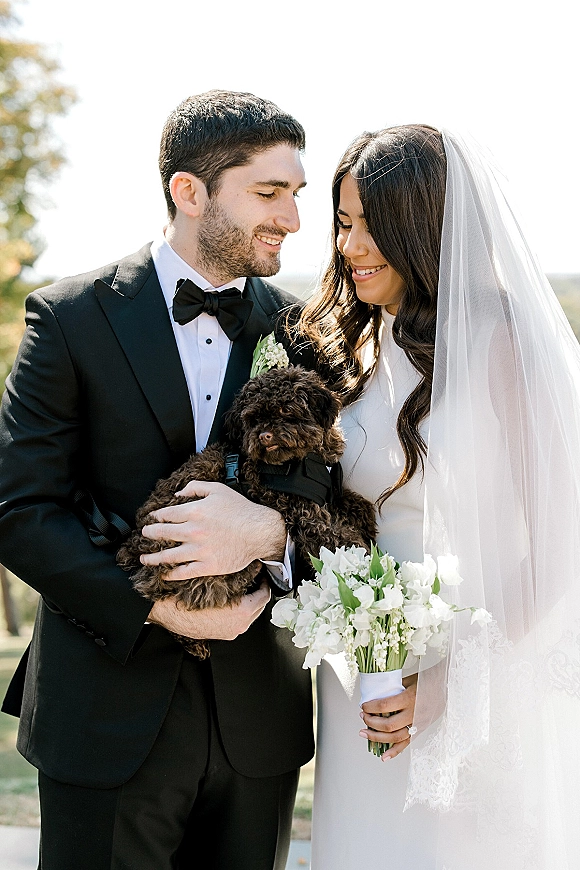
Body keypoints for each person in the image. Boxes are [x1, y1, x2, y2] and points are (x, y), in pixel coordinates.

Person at [0, 89, 315, 870]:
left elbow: (325, 506)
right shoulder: (68, 318)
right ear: (190, 191)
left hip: (258, 727)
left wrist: (273, 542)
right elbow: (20, 509)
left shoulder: (304, 335)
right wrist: (160, 611)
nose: (293, 218)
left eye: (297, 194)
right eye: (269, 193)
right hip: (104, 716)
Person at [299, 125, 580, 869]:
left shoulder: (504, 346)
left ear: (424, 229)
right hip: (366, 679)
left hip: (480, 678)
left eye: (371, 227)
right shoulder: (352, 350)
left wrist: (449, 686)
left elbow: (562, 542)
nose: (349, 247)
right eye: (344, 222)